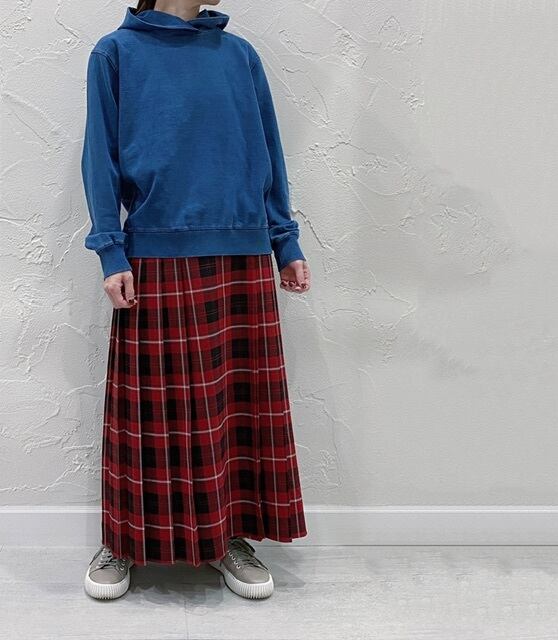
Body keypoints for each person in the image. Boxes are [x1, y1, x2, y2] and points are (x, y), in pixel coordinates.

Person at [80, 0, 311, 601]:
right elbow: (99, 158)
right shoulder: (116, 53)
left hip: (242, 249)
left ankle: (229, 536)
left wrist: (284, 240)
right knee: (146, 417)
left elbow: (268, 150)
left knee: (233, 413)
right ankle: (125, 539)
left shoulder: (239, 55)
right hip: (156, 251)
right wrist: (110, 250)